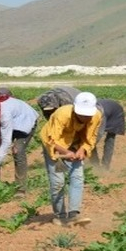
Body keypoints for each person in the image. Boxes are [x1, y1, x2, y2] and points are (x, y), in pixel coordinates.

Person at [40, 92, 102, 227]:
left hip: (75, 143)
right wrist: (66, 152)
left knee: (77, 177)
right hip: (55, 146)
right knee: (58, 182)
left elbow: (91, 137)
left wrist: (82, 150)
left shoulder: (96, 115)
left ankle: (74, 215)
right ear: (75, 109)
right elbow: (51, 140)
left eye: (88, 115)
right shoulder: (62, 114)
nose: (85, 118)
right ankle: (60, 216)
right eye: (82, 115)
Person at [90, 98, 126, 170]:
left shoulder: (99, 115)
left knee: (110, 139)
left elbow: (99, 134)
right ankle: (95, 164)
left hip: (115, 113)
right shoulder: (86, 112)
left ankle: (105, 166)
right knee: (90, 140)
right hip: (106, 109)